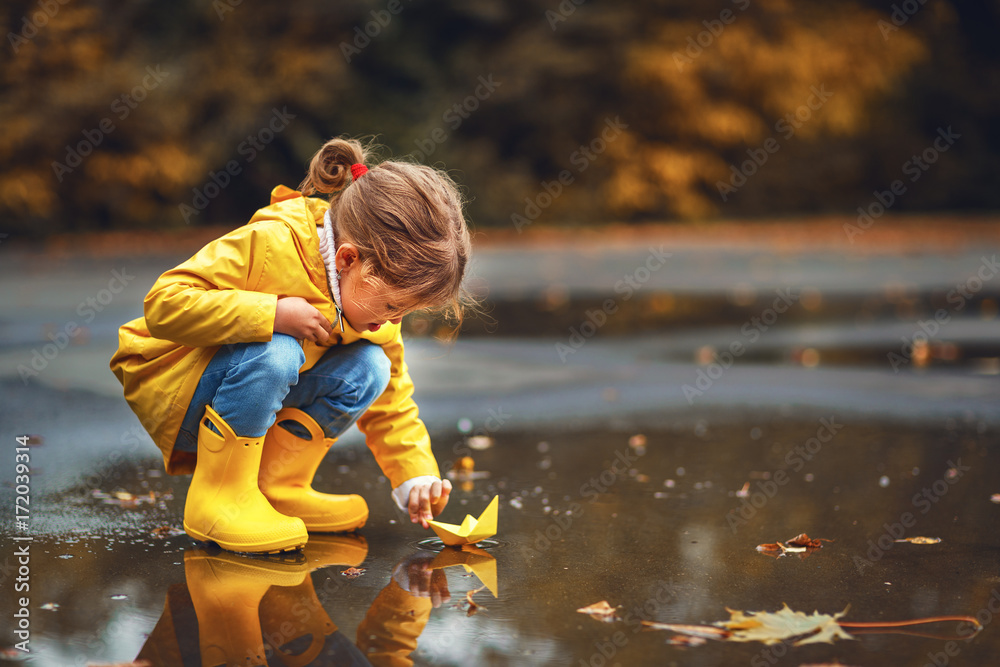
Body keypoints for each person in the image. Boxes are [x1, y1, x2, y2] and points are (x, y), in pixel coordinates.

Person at [110, 137, 472, 553]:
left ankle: (276, 486)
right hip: (176, 383)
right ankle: (218, 500)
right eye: (392, 304)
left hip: (250, 390)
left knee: (373, 366)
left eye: (406, 310)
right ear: (348, 260)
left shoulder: (371, 309)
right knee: (279, 349)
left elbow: (392, 399)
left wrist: (414, 475)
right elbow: (164, 306)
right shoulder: (270, 245)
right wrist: (271, 314)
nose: (394, 320)